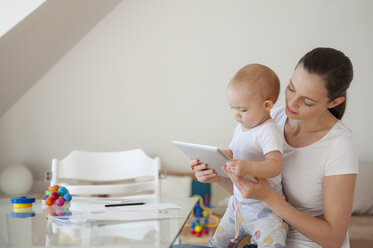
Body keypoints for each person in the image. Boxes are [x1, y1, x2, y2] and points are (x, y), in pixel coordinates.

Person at [191, 47, 358, 248]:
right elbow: (253, 195)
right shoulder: (272, 119)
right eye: (291, 88)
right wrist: (218, 176)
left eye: (307, 101)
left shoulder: (339, 144)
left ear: (335, 102)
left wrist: (271, 199)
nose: (291, 103)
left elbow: (333, 239)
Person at [192, 64, 287, 248]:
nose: (236, 114)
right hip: (237, 206)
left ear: (267, 105)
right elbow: (233, 154)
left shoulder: (268, 131)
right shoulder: (241, 128)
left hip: (265, 210)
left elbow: (275, 165)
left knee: (272, 244)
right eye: (232, 108)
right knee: (216, 244)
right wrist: (211, 156)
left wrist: (248, 167)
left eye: (242, 109)